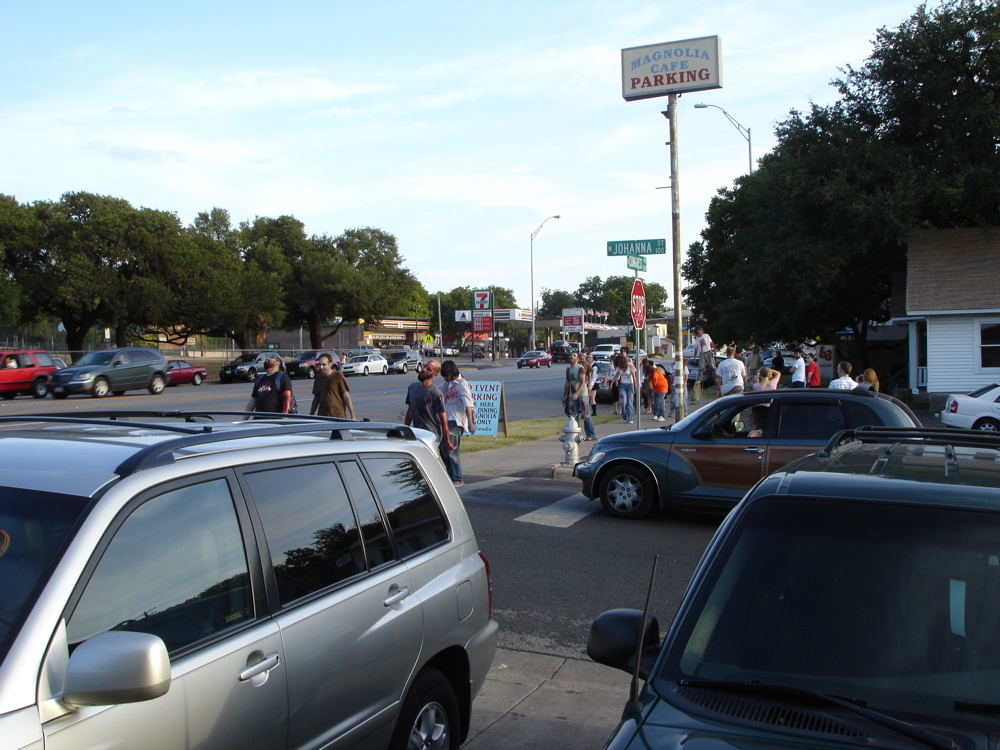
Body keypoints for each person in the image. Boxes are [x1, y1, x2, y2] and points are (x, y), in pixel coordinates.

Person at [404, 360, 455, 455]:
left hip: (431, 437)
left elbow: (443, 419)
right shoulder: (412, 388)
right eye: (425, 366)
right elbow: (410, 411)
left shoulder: (436, 393)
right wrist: (404, 429)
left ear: (434, 375)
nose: (424, 369)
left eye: (429, 369)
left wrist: (447, 441)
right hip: (417, 434)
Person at [440, 360, 475, 487]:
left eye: (447, 375)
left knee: (451, 449)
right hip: (446, 419)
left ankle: (457, 478)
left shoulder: (461, 384)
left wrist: (470, 423)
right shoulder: (445, 384)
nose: (445, 378)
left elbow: (468, 404)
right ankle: (450, 476)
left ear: (452, 373)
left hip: (457, 420)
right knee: (443, 448)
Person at [310, 352, 355, 418]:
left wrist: (353, 415)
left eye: (324, 364)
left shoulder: (338, 376)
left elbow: (346, 396)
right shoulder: (318, 378)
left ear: (330, 364)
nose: (321, 367)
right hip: (323, 416)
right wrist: (311, 415)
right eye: (319, 364)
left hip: (338, 416)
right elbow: (316, 398)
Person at [563, 353, 597, 439]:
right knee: (573, 415)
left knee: (585, 415)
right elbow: (567, 383)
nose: (571, 356)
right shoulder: (568, 369)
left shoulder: (580, 368)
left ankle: (591, 435)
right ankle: (575, 435)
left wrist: (577, 394)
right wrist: (564, 395)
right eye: (571, 355)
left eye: (574, 356)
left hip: (582, 394)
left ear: (577, 359)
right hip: (572, 394)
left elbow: (582, 382)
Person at [610, 351, 637, 423]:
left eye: (619, 363)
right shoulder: (619, 368)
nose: (619, 365)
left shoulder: (630, 365)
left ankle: (630, 418)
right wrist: (612, 383)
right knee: (623, 402)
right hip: (622, 385)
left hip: (630, 385)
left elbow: (634, 376)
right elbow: (617, 375)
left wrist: (635, 386)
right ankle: (624, 416)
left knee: (629, 402)